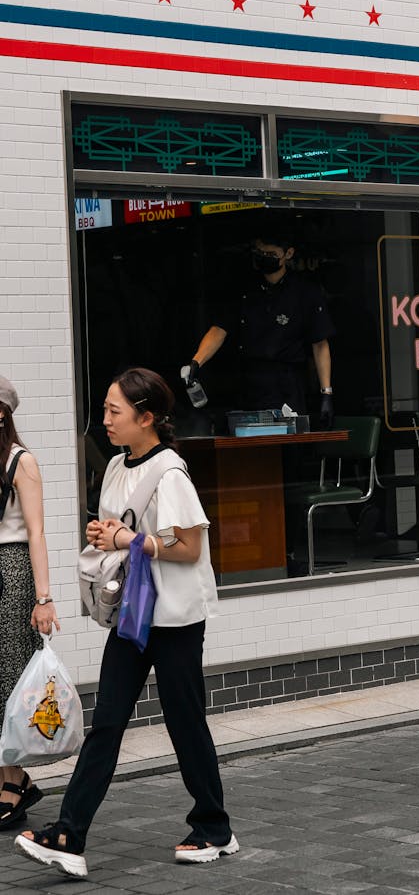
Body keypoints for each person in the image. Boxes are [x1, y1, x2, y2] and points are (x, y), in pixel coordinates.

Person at [16, 367, 238, 878]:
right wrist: (105, 532)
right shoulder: (116, 465)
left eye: (115, 411)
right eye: (106, 410)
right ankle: (69, 833)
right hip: (132, 614)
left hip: (176, 619)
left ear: (148, 417)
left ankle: (214, 827)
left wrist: (127, 541)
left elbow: (190, 548)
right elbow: (121, 529)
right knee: (108, 722)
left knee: (185, 722)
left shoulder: (171, 472)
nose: (106, 420)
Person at [185, 229, 335, 425]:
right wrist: (196, 362)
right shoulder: (244, 288)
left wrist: (326, 393)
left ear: (288, 254)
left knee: (287, 447)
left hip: (287, 382)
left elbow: (320, 344)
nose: (265, 258)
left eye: (271, 254)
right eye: (260, 253)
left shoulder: (304, 292)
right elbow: (219, 330)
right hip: (249, 380)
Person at [0, 376, 60, 830]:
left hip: (12, 573)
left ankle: (13, 780)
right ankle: (12, 779)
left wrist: (44, 598)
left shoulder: (22, 461)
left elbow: (37, 532)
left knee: (10, 678)